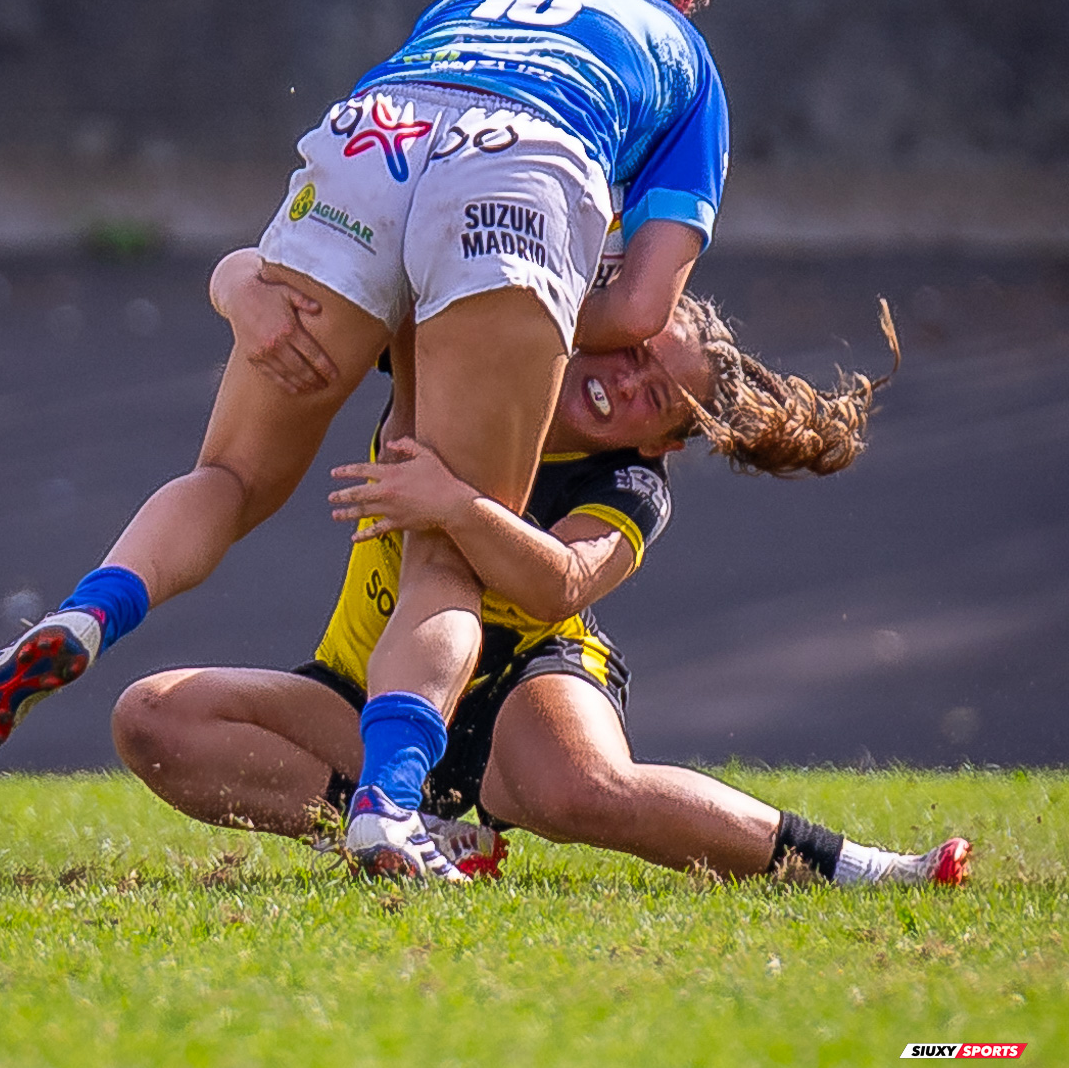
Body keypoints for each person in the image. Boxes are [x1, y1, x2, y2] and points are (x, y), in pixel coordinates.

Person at [0, 0, 734, 879]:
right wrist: (487, 338)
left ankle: (85, 614)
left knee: (228, 477)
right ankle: (390, 807)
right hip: (522, 167)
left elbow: (390, 201)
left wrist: (256, 290)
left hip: (375, 138)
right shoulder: (684, 60)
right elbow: (641, 311)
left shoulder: (472, 3)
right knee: (443, 551)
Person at [110, 296, 969, 889]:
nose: (625, 382)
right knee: (151, 716)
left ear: (663, 444)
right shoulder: (469, 358)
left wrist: (455, 505)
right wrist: (233, 284)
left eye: (653, 398)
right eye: (633, 353)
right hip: (368, 690)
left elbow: (561, 584)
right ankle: (412, 831)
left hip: (525, 681)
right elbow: (311, 282)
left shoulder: (630, 488)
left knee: (579, 789)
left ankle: (863, 868)